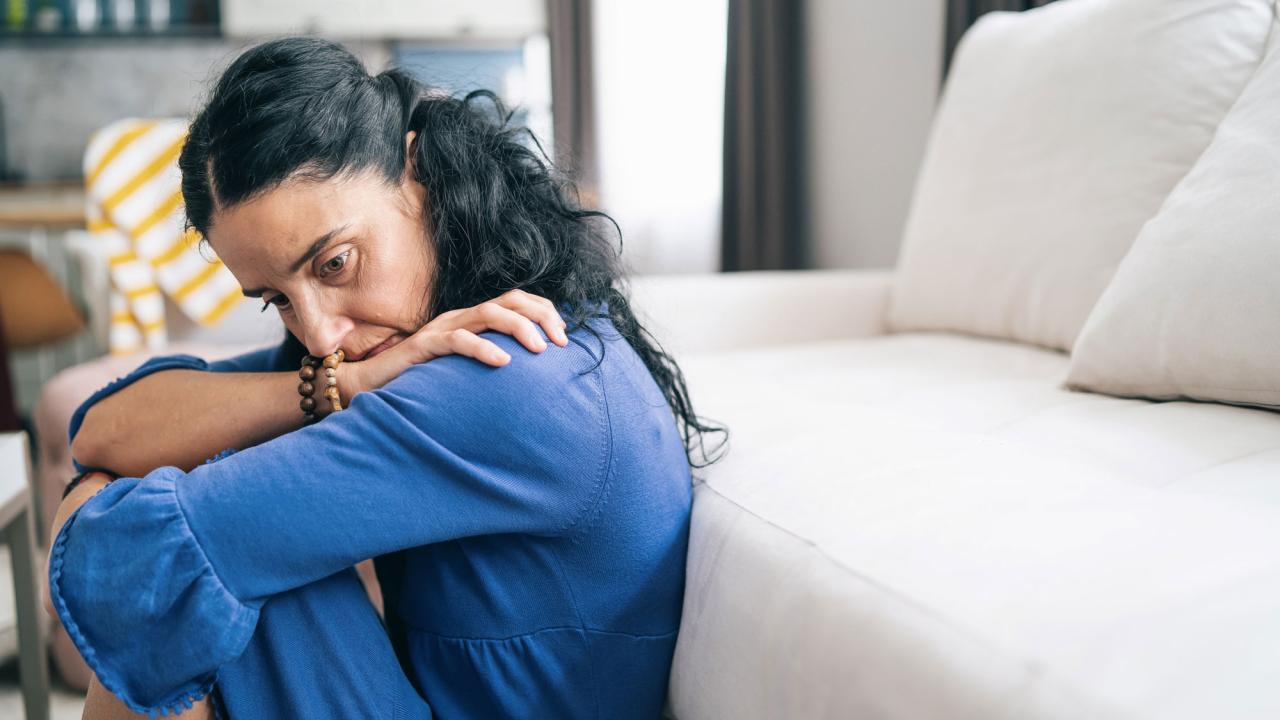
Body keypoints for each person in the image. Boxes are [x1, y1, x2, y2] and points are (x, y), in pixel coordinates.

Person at [43, 36, 724, 720]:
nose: (318, 333)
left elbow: (119, 560)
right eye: (276, 299)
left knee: (192, 570)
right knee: (194, 525)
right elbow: (105, 429)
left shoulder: (506, 378)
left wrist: (91, 502)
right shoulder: (412, 344)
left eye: (335, 264)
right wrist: (341, 387)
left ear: (415, 174)